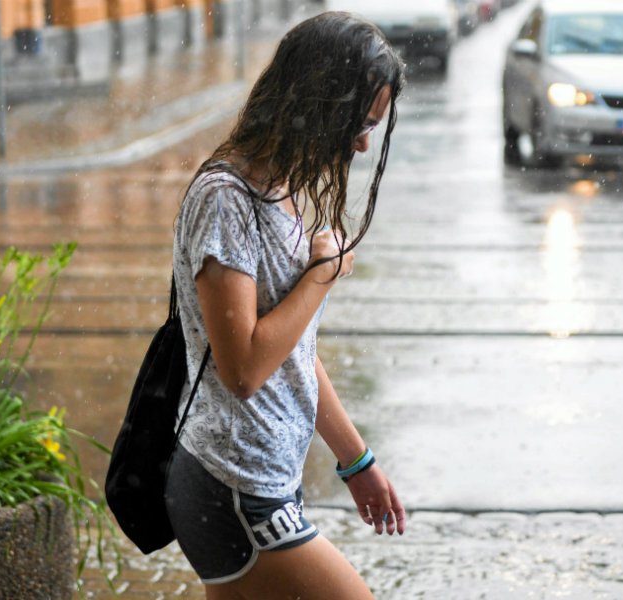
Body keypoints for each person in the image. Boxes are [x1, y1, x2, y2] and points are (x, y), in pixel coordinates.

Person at [165, 11, 407, 600]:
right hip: (234, 487)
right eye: (358, 122)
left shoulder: (277, 191)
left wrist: (356, 462)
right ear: (318, 100)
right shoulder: (227, 199)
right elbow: (244, 369)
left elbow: (291, 353)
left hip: (256, 481)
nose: (362, 142)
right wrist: (320, 278)